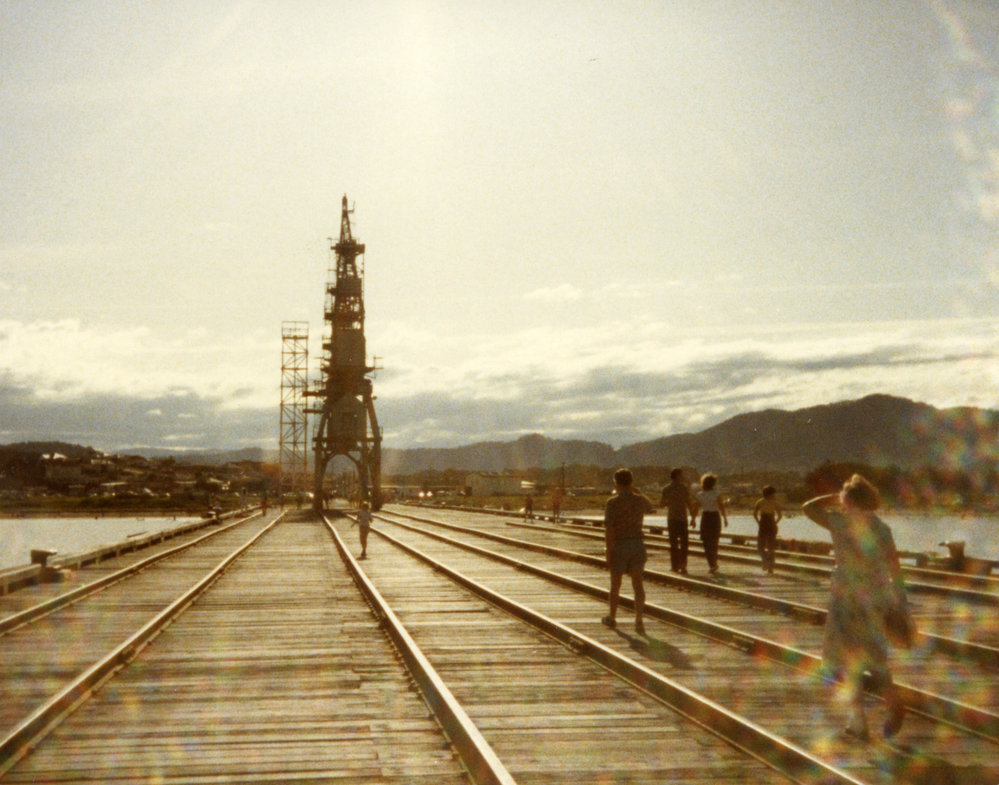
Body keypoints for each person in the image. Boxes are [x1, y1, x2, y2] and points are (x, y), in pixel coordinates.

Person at [802, 474, 912, 741]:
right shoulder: (882, 529)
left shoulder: (839, 522)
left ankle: (859, 719)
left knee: (844, 660)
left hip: (846, 598)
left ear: (847, 500)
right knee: (876, 657)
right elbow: (895, 569)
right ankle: (894, 704)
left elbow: (807, 507)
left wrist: (833, 496)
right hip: (875, 597)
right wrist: (901, 605)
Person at [601, 468, 654, 635]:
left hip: (620, 545)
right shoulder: (639, 501)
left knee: (615, 585)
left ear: (616, 482)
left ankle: (612, 616)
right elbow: (651, 506)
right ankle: (638, 619)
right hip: (638, 544)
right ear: (631, 482)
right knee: (638, 584)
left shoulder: (612, 503)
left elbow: (609, 529)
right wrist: (635, 490)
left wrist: (609, 550)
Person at [659, 468, 695, 574]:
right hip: (682, 518)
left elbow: (661, 504)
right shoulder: (684, 488)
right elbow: (689, 504)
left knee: (673, 543)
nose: (682, 477)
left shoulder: (666, 489)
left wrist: (668, 502)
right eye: (681, 475)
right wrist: (693, 518)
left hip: (672, 518)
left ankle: (675, 566)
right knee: (684, 543)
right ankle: (683, 565)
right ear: (677, 476)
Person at [693, 474, 728, 574]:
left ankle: (712, 564)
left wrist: (693, 519)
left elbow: (696, 508)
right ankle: (714, 562)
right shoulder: (716, 493)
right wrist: (725, 518)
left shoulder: (700, 495)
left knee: (706, 541)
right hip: (715, 517)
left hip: (706, 517)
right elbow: (721, 507)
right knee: (714, 541)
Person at [753, 485, 783, 573]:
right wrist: (775, 523)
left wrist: (759, 522)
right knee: (771, 546)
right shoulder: (775, 503)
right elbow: (780, 515)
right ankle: (771, 567)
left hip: (763, 521)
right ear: (771, 494)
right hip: (771, 521)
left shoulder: (759, 502)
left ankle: (765, 560)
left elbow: (754, 513)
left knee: (760, 546)